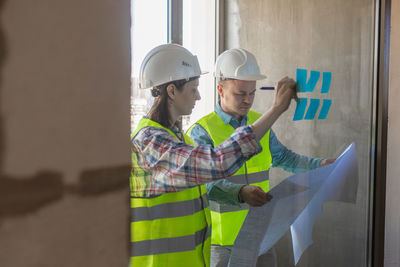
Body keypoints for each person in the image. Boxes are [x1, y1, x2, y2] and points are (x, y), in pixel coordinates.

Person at [129, 44, 297, 267]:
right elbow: (217, 162)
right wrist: (275, 109)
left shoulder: (180, 140)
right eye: (193, 88)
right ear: (171, 91)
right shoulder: (149, 143)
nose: (198, 96)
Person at [187, 48, 335, 267]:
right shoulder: (202, 132)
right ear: (220, 89)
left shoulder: (260, 123)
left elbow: (286, 158)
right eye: (240, 93)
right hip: (224, 244)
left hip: (261, 238)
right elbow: (206, 186)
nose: (248, 100)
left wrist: (320, 165)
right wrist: (240, 193)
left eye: (252, 92)